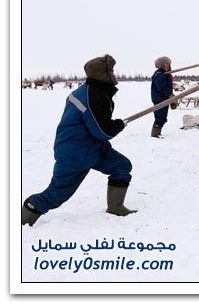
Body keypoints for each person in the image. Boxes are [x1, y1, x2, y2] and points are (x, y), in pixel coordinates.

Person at [21, 54, 135, 227]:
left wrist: (113, 125)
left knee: (121, 166)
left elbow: (97, 128)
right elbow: (103, 131)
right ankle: (27, 211)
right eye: (111, 71)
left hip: (92, 147)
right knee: (57, 194)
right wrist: (117, 125)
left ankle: (115, 207)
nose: (114, 74)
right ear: (103, 74)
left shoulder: (96, 91)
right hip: (74, 152)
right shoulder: (92, 96)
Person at [150, 56, 177, 138]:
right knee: (160, 117)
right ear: (161, 66)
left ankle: (157, 133)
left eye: (168, 65)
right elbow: (161, 87)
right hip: (159, 99)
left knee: (163, 117)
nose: (167, 66)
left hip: (163, 98)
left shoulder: (164, 74)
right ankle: (154, 134)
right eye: (164, 65)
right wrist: (171, 95)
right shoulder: (159, 75)